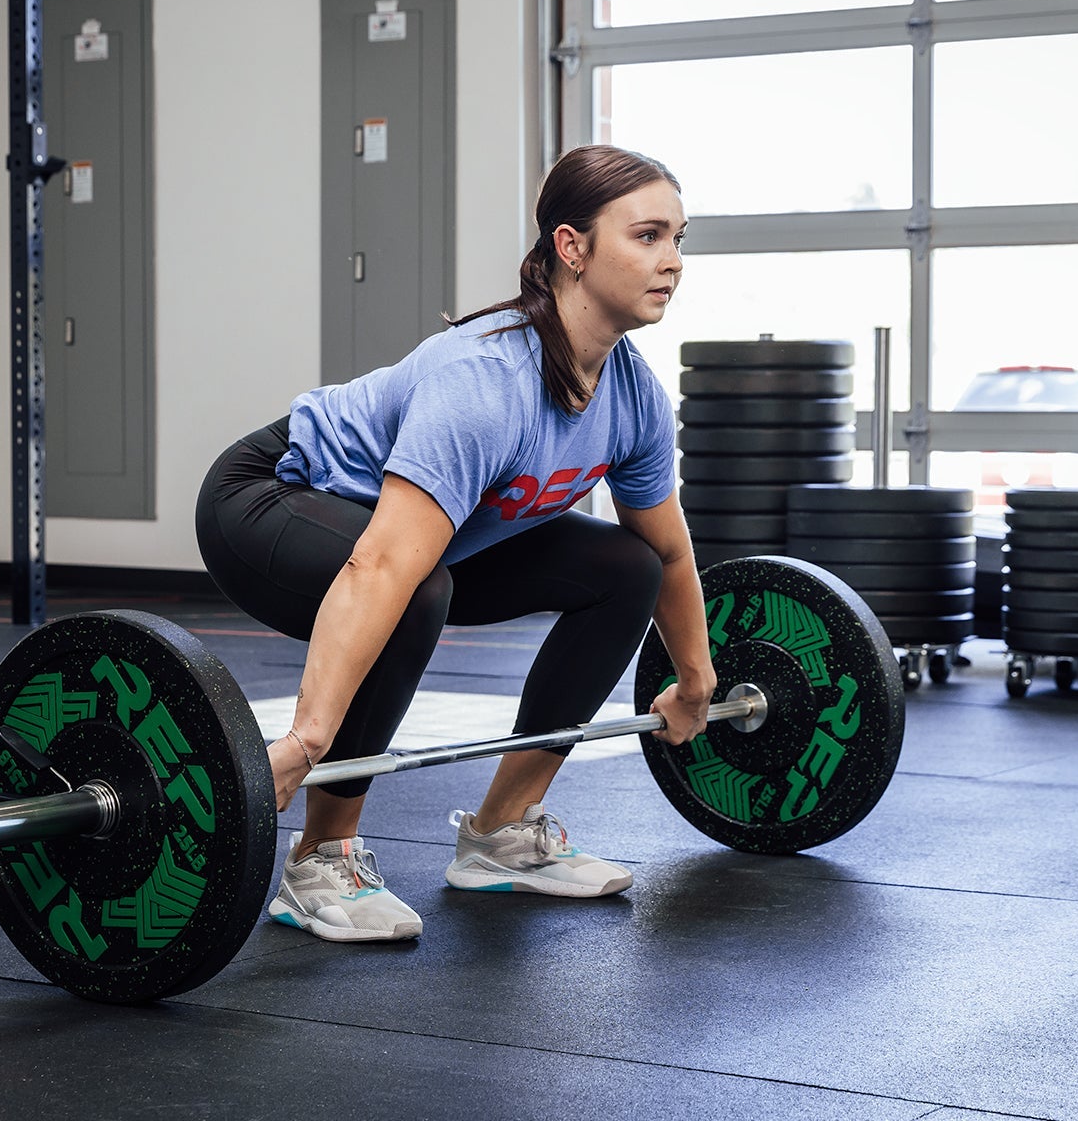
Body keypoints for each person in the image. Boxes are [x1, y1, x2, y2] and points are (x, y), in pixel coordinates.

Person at [194, 144, 717, 943]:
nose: (673, 261)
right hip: (274, 496)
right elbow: (379, 566)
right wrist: (305, 740)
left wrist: (695, 680)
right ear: (571, 247)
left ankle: (500, 834)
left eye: (680, 238)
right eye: (648, 236)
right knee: (416, 587)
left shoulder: (634, 396)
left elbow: (672, 556)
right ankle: (321, 858)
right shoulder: (486, 383)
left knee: (624, 567)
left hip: (416, 540)